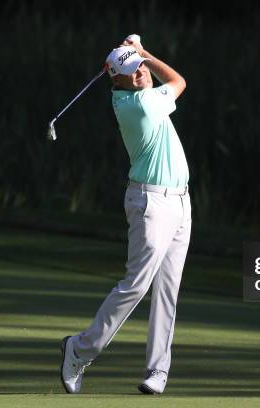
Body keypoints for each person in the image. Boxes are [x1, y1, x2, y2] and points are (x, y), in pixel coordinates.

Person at [60, 34, 191, 395]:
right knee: (136, 285)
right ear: (117, 81)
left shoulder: (135, 94)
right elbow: (179, 81)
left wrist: (136, 55)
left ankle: (157, 372)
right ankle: (79, 350)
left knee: (167, 290)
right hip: (152, 205)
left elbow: (158, 78)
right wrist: (145, 51)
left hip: (180, 203)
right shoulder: (142, 105)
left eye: (141, 68)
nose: (141, 74)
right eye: (132, 71)